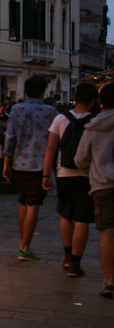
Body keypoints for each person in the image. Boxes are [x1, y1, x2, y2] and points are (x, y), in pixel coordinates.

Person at [42, 82, 99, 277]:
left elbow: (50, 148)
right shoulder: (96, 121)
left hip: (63, 173)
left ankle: (67, 257)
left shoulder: (60, 118)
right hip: (87, 175)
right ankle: (75, 263)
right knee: (82, 219)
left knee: (65, 215)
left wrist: (45, 174)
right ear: (92, 101)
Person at [2, 75, 57, 261]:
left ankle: (23, 243)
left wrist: (6, 162)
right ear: (43, 92)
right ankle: (25, 248)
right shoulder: (50, 112)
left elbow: (10, 137)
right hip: (40, 165)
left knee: (23, 201)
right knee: (34, 204)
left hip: (19, 163)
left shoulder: (17, 109)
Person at [74, 82, 114, 298]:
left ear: (100, 102)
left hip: (102, 184)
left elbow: (80, 159)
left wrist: (94, 168)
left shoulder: (93, 127)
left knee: (107, 233)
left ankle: (109, 281)